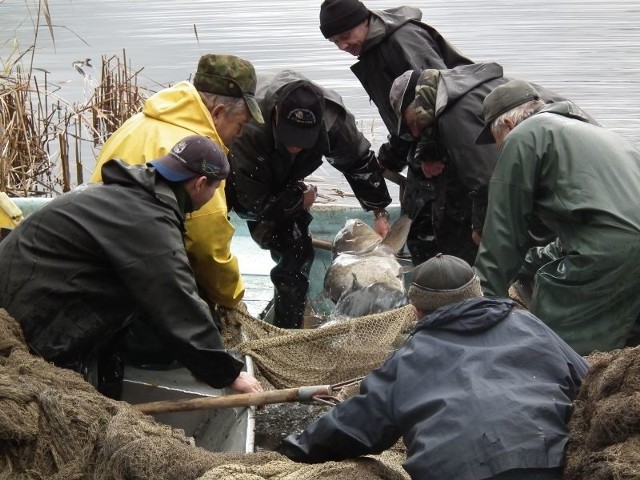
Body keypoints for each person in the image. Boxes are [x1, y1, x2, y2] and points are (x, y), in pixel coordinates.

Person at [276, 253, 588, 480]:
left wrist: (291, 450)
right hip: (552, 462)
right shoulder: (530, 324)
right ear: (477, 293)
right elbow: (588, 382)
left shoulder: (409, 357)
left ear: (415, 310)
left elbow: (354, 427)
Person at [0, 135, 263, 398]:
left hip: (22, 284)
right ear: (200, 184)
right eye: (215, 189)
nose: (213, 196)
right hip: (25, 314)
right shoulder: (149, 221)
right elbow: (175, 299)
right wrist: (225, 373)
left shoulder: (131, 193)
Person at [474, 79, 640, 355]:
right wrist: (529, 263)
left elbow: (503, 235)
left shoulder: (522, 137)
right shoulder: (588, 131)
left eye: (495, 140)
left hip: (612, 251)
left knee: (551, 350)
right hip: (618, 242)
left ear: (507, 126)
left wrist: (479, 309)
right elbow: (593, 220)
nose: (497, 149)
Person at [91, 54, 264, 312]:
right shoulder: (200, 150)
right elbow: (206, 248)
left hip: (97, 258)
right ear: (218, 113)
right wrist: (233, 299)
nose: (239, 135)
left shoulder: (139, 121)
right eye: (240, 125)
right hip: (134, 278)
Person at [226, 70, 392, 329]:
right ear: (276, 115)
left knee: (298, 249)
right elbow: (250, 205)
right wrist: (298, 200)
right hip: (250, 175)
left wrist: (379, 211)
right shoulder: (248, 127)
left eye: (304, 140)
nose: (296, 146)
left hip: (290, 177)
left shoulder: (334, 121)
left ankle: (289, 325)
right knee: (283, 244)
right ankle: (276, 326)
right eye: (290, 138)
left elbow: (358, 163)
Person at [319, 0, 479, 264]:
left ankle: (461, 294)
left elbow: (440, 96)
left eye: (345, 37)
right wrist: (390, 158)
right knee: (415, 226)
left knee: (451, 233)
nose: (342, 47)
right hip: (427, 143)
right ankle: (430, 292)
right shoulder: (371, 48)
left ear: (365, 20)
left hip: (455, 143)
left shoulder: (402, 41)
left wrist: (431, 151)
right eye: (335, 41)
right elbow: (404, 119)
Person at [389, 63, 583, 264]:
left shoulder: (453, 115)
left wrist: (480, 230)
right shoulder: (457, 88)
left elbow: (486, 179)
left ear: (416, 105)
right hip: (572, 151)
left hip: (565, 164)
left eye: (411, 123)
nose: (414, 133)